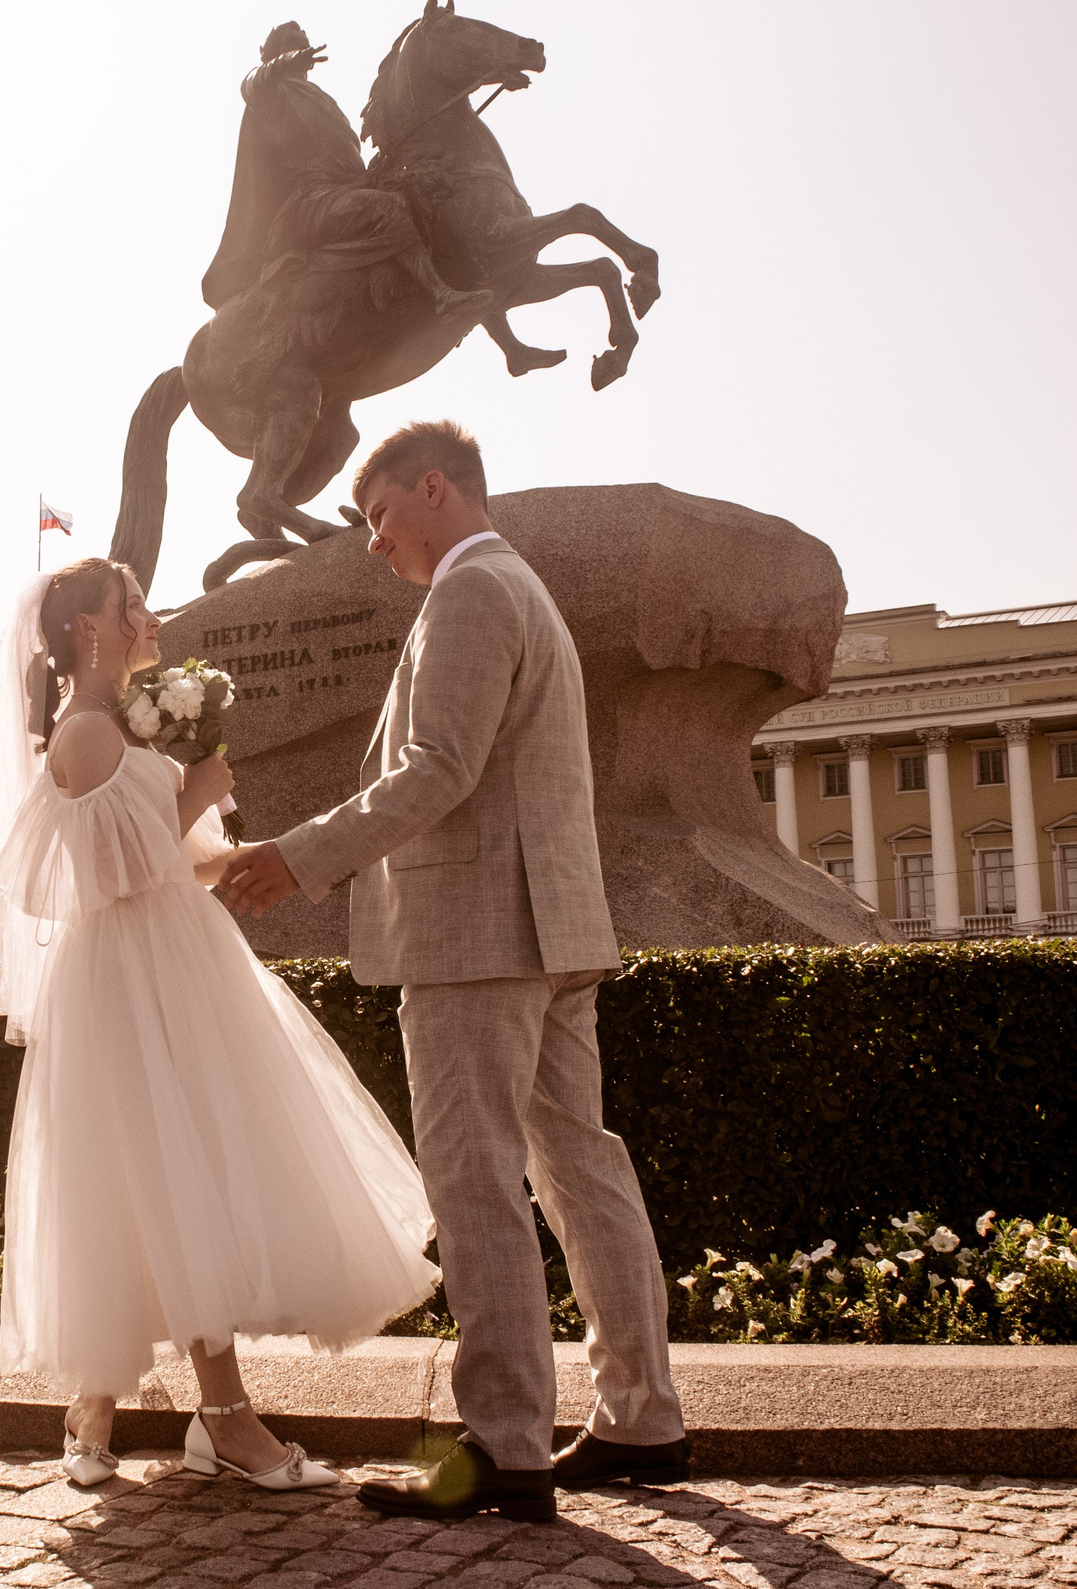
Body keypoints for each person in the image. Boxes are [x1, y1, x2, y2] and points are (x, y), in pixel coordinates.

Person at [222, 421, 690, 1523]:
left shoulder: (473, 592)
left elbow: (439, 766)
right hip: (547, 928)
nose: (372, 540)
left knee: (476, 1180)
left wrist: (299, 856)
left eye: (379, 513)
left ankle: (504, 1444)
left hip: (477, 937)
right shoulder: (517, 587)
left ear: (435, 488)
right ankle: (641, 1415)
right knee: (580, 1169)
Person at [0, 556, 438, 1493]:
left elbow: (177, 861)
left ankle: (105, 1410)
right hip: (128, 976)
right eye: (131, 605)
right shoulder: (83, 732)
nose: (149, 617)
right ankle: (215, 1416)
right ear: (87, 630)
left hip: (180, 956)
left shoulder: (127, 726)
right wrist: (196, 788)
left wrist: (263, 855)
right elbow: (96, 878)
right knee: (153, 1170)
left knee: (183, 1173)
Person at [202, 22, 494, 321]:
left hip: (348, 188)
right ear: (275, 55)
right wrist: (285, 62)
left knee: (426, 195)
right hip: (312, 201)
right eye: (291, 43)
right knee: (388, 208)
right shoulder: (272, 96)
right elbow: (251, 83)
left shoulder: (320, 97)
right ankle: (440, 295)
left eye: (302, 42)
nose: (301, 47)